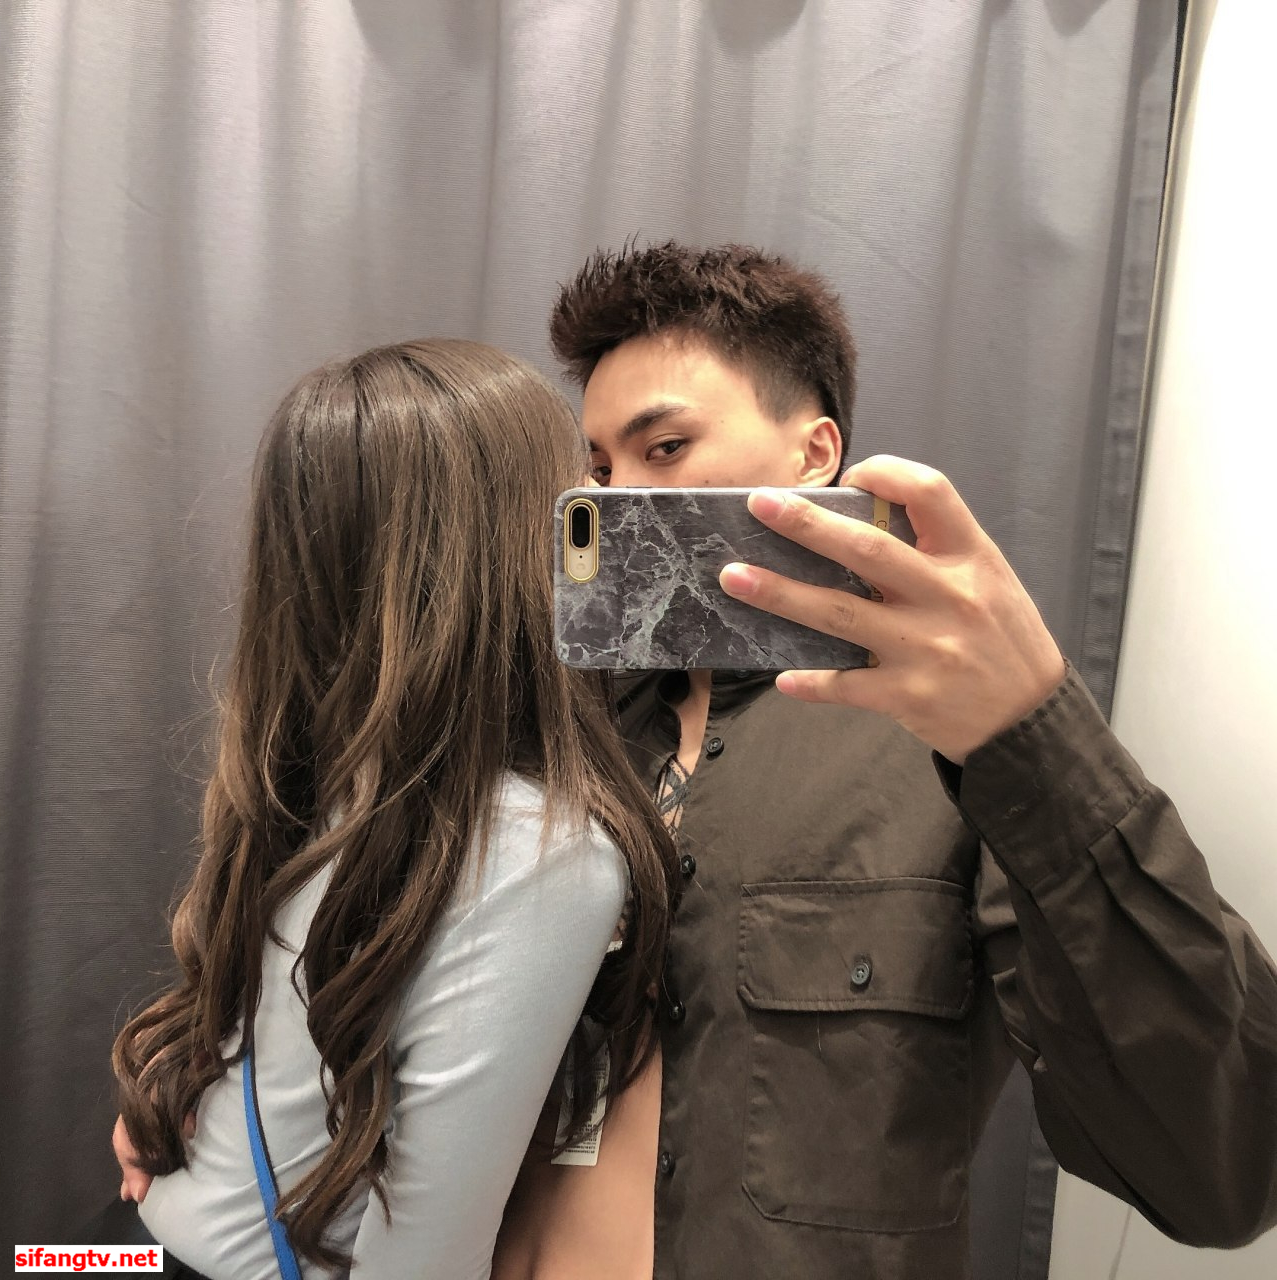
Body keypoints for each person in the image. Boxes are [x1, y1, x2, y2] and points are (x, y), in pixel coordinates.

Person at [492, 243, 1277, 1280]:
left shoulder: (953, 748)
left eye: (666, 447)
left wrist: (1036, 735)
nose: (620, 497)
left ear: (813, 452)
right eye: (600, 468)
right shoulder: (562, 735)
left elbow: (1224, 1171)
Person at [109, 339, 679, 1279]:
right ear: (508, 541)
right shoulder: (541, 850)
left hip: (116, 1249)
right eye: (579, 488)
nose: (605, 511)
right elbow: (422, 1260)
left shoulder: (325, 767)